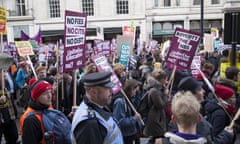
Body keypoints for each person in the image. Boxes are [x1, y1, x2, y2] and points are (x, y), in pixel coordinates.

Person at [71, 72, 124, 144]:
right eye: (108, 89)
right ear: (94, 92)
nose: (112, 91)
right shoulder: (89, 124)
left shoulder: (97, 107)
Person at [20, 79, 53, 144]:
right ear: (36, 97)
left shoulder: (47, 107)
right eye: (45, 94)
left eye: (50, 92)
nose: (49, 96)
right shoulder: (30, 120)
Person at [112, 79, 142, 144]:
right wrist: (135, 118)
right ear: (131, 89)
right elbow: (119, 122)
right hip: (126, 135)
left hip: (133, 132)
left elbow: (137, 105)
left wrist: (138, 95)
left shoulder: (129, 98)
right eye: (135, 90)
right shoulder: (120, 102)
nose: (136, 92)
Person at [0, 71, 19, 144]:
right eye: (2, 72)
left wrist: (15, 113)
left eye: (4, 72)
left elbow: (10, 100)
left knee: (13, 137)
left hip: (9, 117)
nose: (5, 74)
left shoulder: (5, 85)